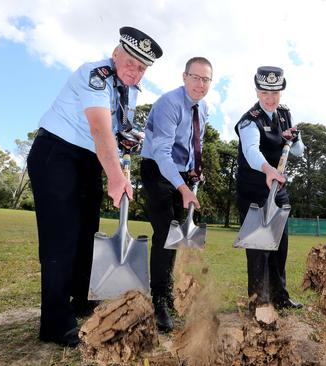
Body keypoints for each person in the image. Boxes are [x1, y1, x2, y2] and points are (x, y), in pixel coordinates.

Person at [27, 27, 162, 347]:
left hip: (88, 161)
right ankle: (55, 325)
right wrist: (117, 178)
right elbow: (99, 127)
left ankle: (81, 300)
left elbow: (115, 133)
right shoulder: (95, 74)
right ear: (116, 54)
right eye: (130, 62)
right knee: (61, 239)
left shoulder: (130, 90)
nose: (135, 71)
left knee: (87, 232)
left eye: (142, 68)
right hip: (57, 155)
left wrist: (126, 139)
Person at [139, 56, 213, 332]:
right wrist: (182, 188)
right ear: (184, 77)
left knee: (175, 236)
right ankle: (158, 300)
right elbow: (161, 152)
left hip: (181, 173)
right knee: (164, 232)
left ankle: (167, 291)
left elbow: (197, 142)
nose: (200, 84)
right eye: (195, 77)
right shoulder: (169, 103)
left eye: (206, 79)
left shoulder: (203, 107)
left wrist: (195, 170)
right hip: (157, 169)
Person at [235, 66, 305, 313]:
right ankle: (258, 301)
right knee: (257, 248)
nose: (270, 98)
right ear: (257, 91)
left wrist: (295, 139)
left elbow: (298, 151)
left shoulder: (285, 114)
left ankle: (279, 296)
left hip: (279, 188)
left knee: (279, 246)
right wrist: (268, 170)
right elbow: (252, 151)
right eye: (265, 92)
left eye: (275, 93)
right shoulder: (249, 120)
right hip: (254, 189)